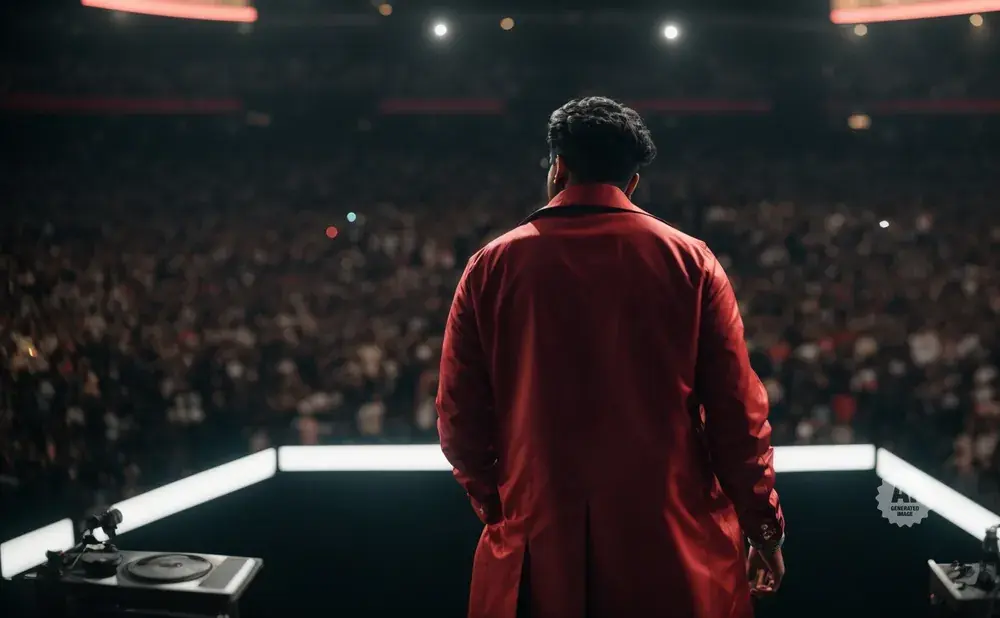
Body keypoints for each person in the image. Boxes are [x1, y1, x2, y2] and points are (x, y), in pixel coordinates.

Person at [437, 96, 786, 618]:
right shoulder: (692, 263)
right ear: (633, 181)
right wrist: (763, 528)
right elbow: (739, 416)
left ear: (557, 168)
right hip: (672, 549)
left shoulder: (491, 266)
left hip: (540, 545)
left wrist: (503, 506)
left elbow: (459, 419)